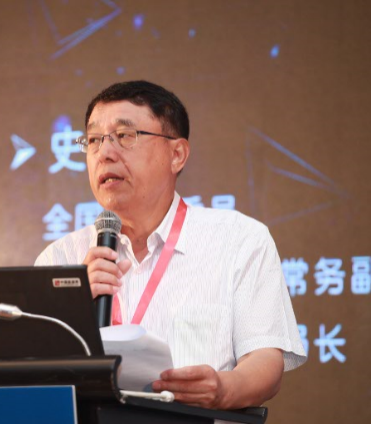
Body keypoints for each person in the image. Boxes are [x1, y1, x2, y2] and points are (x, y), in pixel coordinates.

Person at [35, 80, 306, 410]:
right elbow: (32, 376)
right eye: (93, 140)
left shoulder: (239, 239)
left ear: (177, 155)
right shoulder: (59, 258)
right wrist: (70, 308)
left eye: (125, 135)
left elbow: (265, 359)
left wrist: (224, 389)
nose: (104, 153)